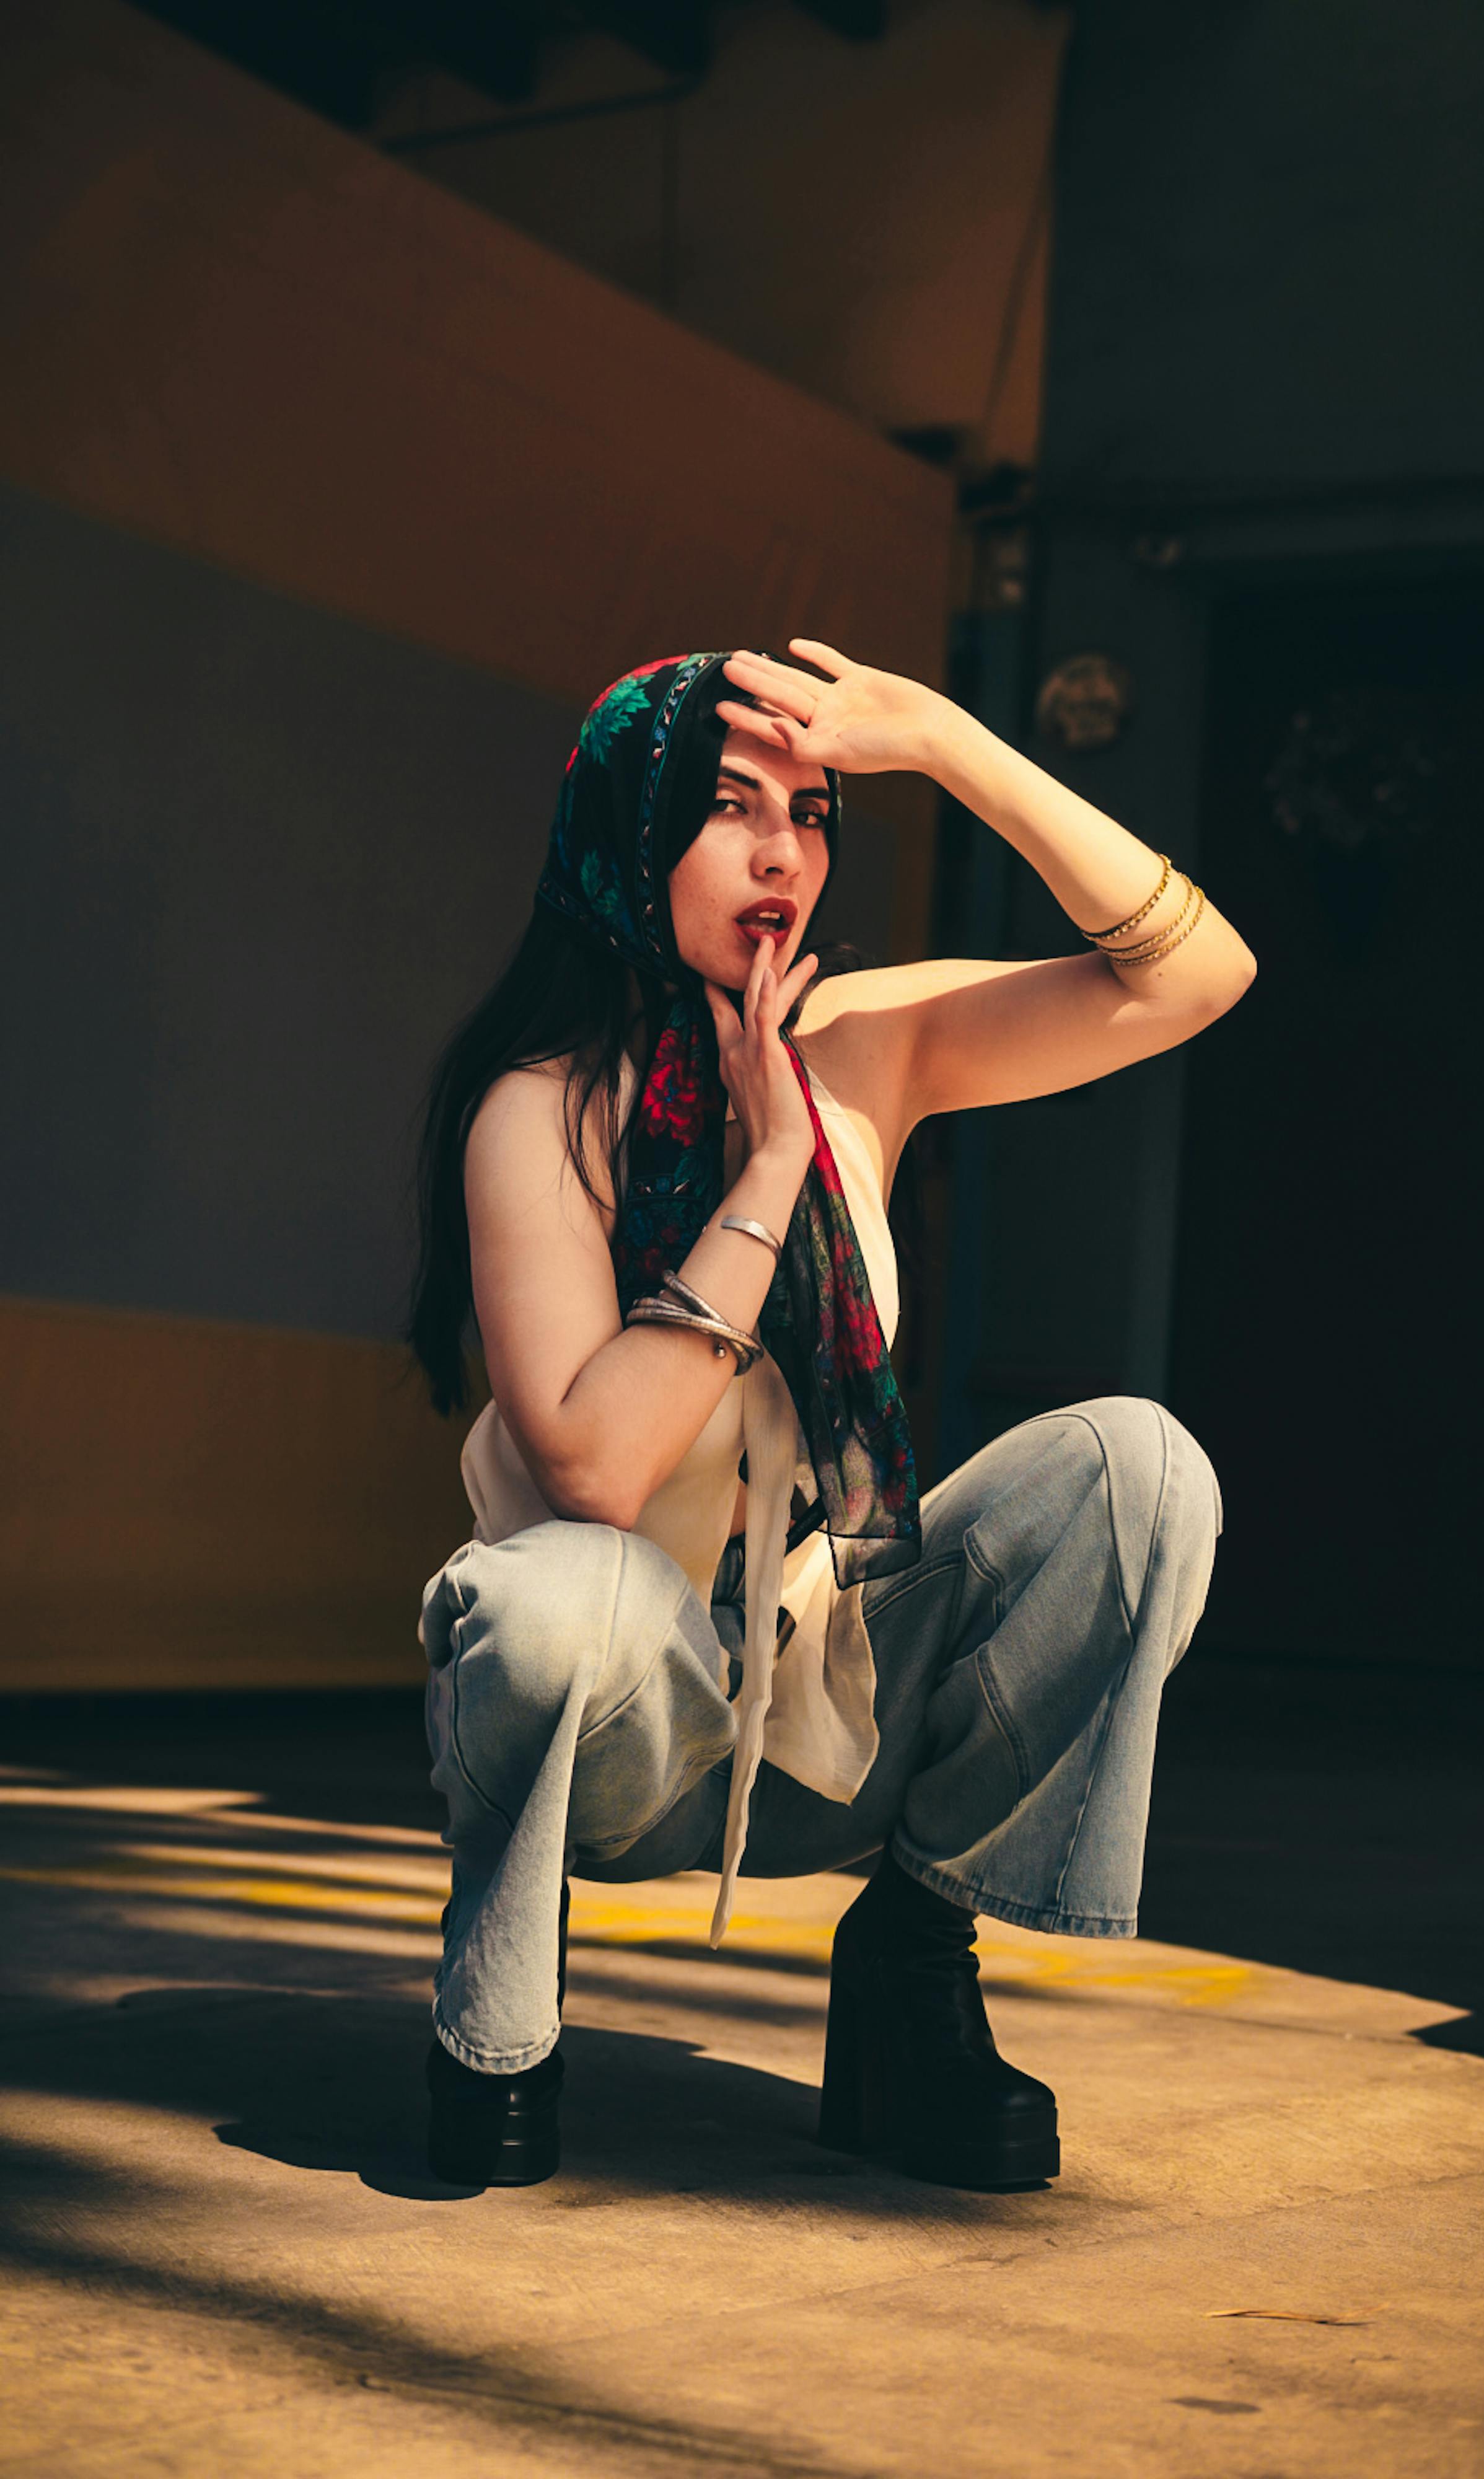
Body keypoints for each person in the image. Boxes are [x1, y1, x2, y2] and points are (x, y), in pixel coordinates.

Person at [405, 641, 1255, 2193]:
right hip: (615, 1731)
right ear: (628, 822)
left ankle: (914, 1966)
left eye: (809, 813)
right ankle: (496, 2031)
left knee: (1139, 1470)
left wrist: (940, 740)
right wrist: (767, 1168)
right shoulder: (538, 1107)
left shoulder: (862, 1040)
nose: (782, 854)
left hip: (823, 1711)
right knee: (552, 1592)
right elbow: (593, 1466)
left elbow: (1194, 975)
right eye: (729, 806)